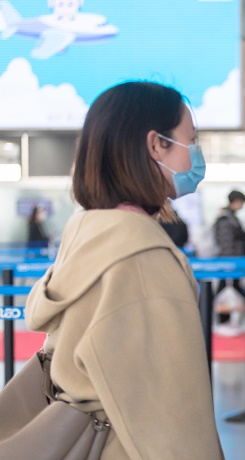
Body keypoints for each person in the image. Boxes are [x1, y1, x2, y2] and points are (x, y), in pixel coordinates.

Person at [24, 81, 224, 459]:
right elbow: (172, 409)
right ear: (156, 145)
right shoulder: (143, 256)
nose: (195, 154)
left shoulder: (85, 233)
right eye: (190, 139)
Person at [213, 190, 245, 323]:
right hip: (229, 261)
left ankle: (229, 321)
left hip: (233, 260)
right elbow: (226, 242)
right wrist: (229, 263)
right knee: (225, 289)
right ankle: (224, 320)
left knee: (230, 289)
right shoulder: (226, 219)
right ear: (236, 201)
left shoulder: (231, 217)